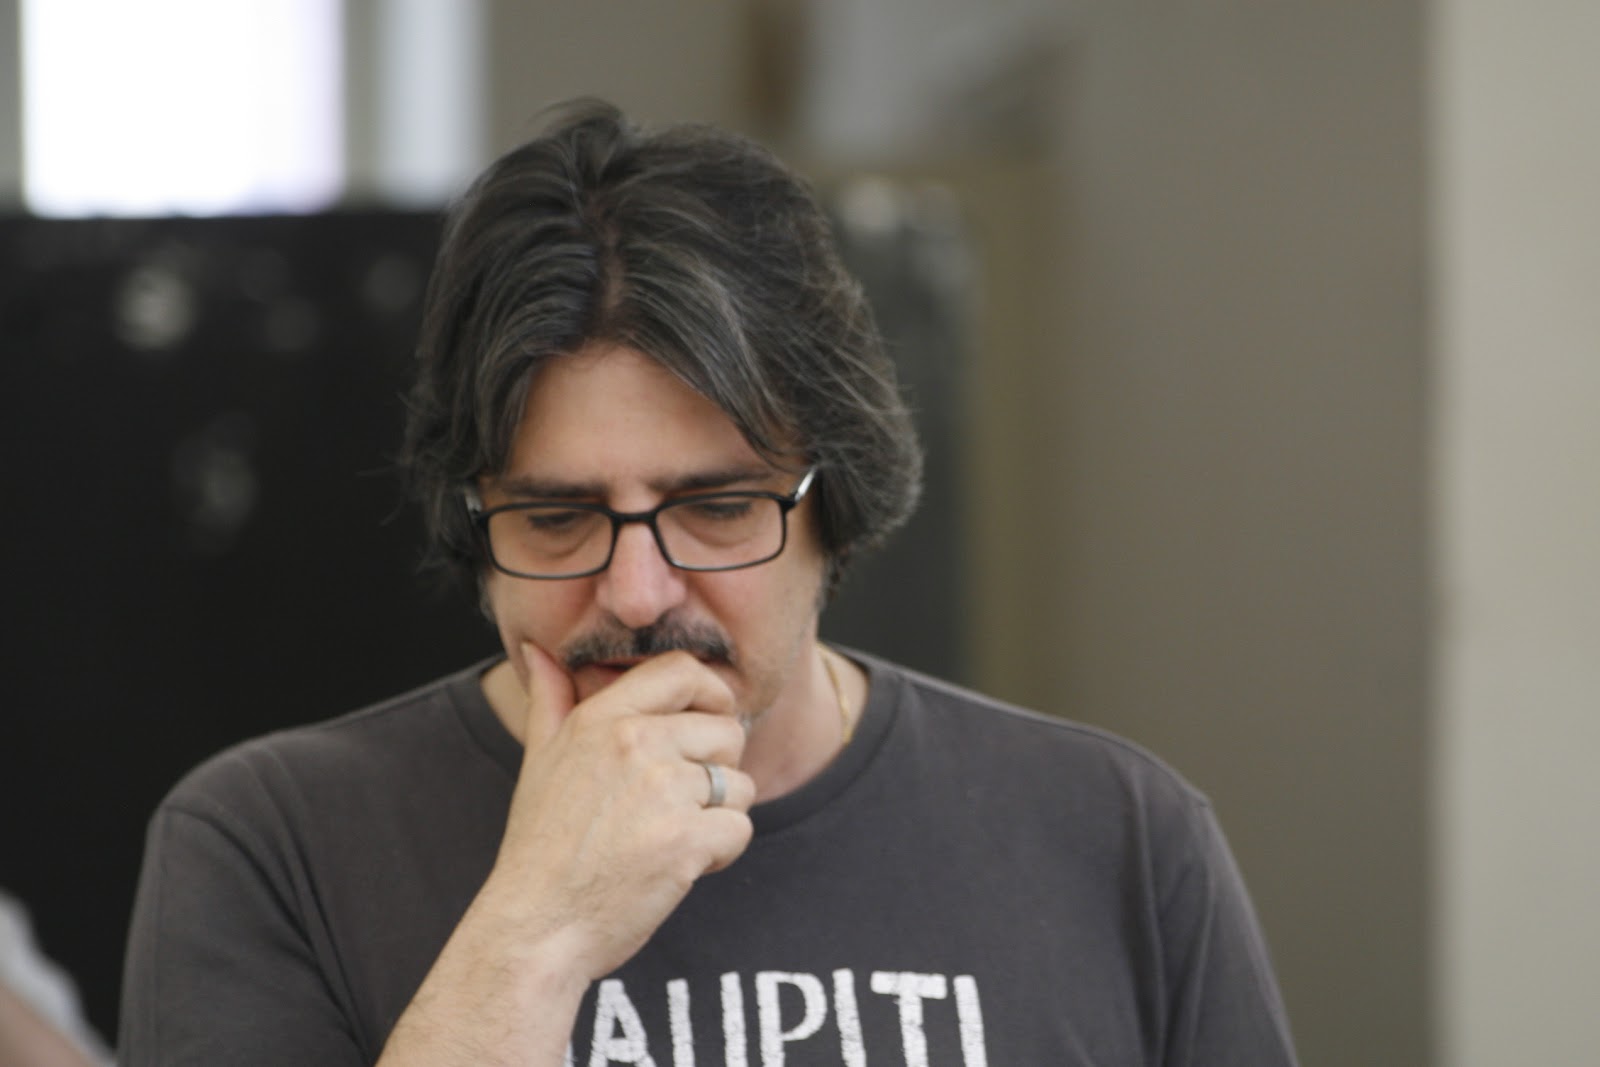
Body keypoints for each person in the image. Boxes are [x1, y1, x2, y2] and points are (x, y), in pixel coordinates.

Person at [120, 99, 1298, 1066]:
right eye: (557, 516)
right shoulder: (274, 843)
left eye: (718, 506)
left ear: (835, 507)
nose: (638, 593)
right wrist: (536, 932)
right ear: (475, 523)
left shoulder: (1115, 835)